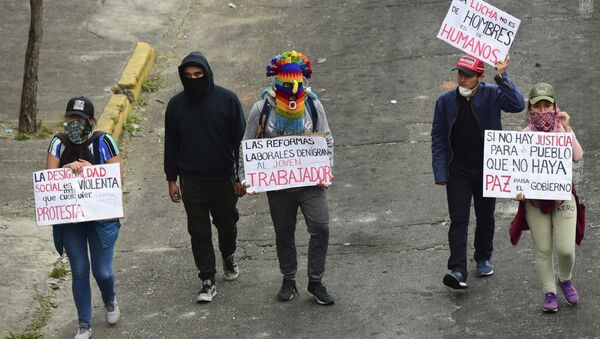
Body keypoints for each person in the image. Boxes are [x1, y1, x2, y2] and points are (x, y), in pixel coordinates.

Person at [239, 51, 335, 305]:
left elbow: (326, 139)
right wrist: (247, 176)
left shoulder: (313, 105)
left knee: (321, 227)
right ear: (276, 85)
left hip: (311, 183)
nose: (292, 94)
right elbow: (247, 144)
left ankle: (315, 281)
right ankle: (289, 279)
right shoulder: (262, 108)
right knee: (284, 232)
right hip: (279, 185)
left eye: (297, 88)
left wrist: (327, 170)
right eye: (286, 88)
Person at [431, 54, 525, 289]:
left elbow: (517, 104)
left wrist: (502, 76)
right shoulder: (444, 102)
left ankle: (483, 257)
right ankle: (458, 270)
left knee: (485, 216)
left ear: (480, 78)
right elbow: (438, 137)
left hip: (487, 168)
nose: (462, 79)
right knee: (459, 219)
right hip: (458, 170)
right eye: (460, 74)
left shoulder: (493, 94)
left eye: (468, 76)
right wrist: (440, 171)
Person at [164, 51, 246, 303]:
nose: (193, 79)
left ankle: (228, 255)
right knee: (198, 231)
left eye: (198, 75)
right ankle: (207, 280)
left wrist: (240, 176)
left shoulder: (228, 100)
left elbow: (240, 142)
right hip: (192, 181)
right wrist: (171, 179)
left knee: (227, 224)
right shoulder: (175, 106)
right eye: (188, 76)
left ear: (207, 73)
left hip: (222, 178)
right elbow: (171, 145)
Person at [45, 96, 123, 339]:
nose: (75, 122)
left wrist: (92, 172)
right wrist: (66, 171)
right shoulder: (58, 142)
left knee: (102, 272)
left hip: (100, 219)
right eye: (71, 117)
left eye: (80, 118)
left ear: (91, 120)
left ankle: (109, 299)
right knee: (79, 269)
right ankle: (84, 325)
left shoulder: (104, 141)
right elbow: (49, 178)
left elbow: (117, 178)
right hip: (71, 219)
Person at [510, 83, 584, 313]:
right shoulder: (525, 135)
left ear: (554, 106)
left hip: (562, 198)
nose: (542, 111)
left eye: (547, 105)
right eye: (537, 106)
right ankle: (550, 292)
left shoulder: (562, 130)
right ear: (530, 109)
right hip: (535, 201)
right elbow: (515, 170)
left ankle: (565, 279)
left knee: (566, 250)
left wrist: (568, 128)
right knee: (543, 249)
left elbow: (577, 156)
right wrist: (517, 189)